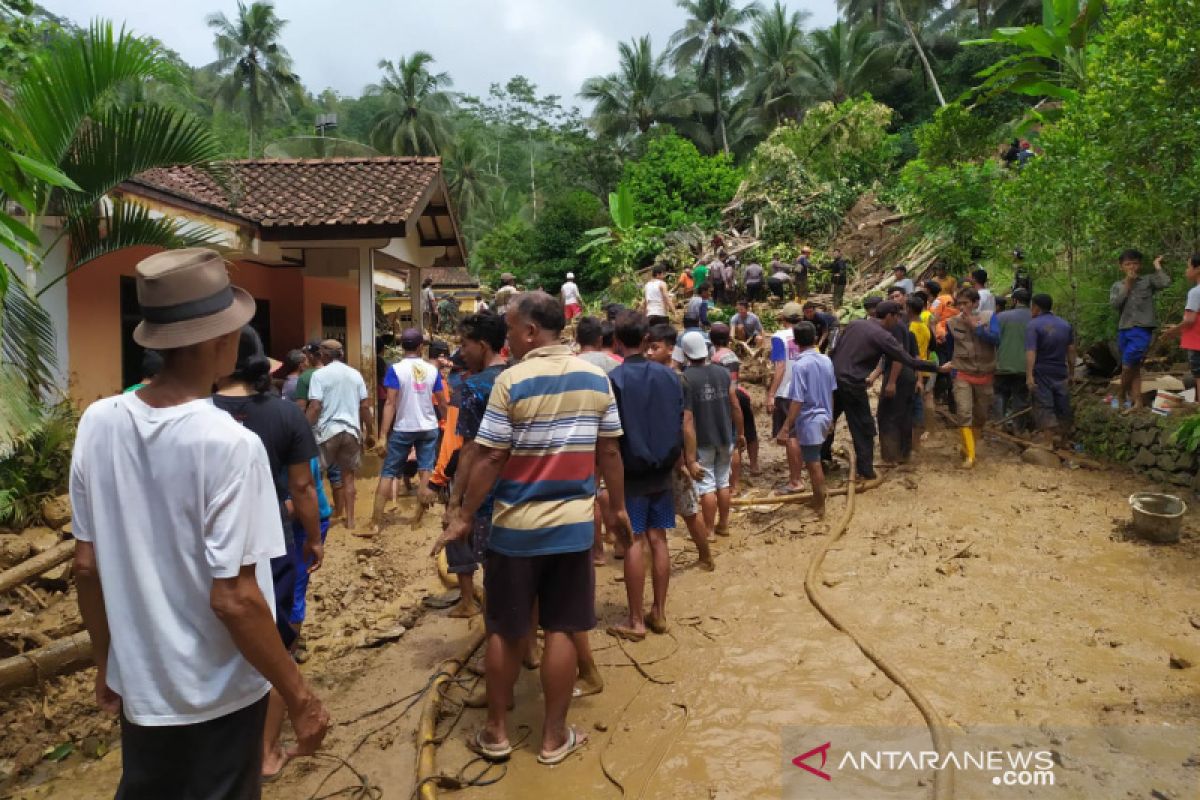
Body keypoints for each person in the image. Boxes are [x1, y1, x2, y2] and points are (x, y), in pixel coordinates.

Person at [71, 248, 329, 798]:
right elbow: (234, 598)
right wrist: (300, 696)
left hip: (143, 689)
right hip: (218, 692)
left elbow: (87, 566)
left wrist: (107, 662)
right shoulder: (228, 444)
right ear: (220, 341)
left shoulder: (99, 421)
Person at [432, 292, 632, 766]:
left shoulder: (512, 381)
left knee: (505, 628)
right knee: (562, 628)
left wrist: (462, 516)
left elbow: (491, 455)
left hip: (515, 528)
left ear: (529, 332)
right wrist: (618, 511)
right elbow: (609, 453)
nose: (506, 335)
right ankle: (553, 738)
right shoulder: (596, 378)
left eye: (510, 326)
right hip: (572, 528)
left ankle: (496, 733)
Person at [213, 326, 325, 781]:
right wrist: (314, 538)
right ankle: (265, 750)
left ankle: (224, 744)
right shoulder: (284, 416)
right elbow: (302, 486)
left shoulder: (195, 414)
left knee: (220, 641)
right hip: (269, 542)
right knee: (277, 640)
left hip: (210, 549)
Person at [607, 312, 685, 640]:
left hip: (631, 473)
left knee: (633, 540)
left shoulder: (615, 379)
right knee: (659, 538)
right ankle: (660, 612)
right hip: (663, 470)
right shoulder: (671, 377)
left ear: (616, 341)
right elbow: (680, 422)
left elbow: (609, 438)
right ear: (645, 341)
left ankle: (636, 620)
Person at [821, 302, 937, 480]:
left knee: (828, 420)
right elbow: (907, 359)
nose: (898, 320)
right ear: (890, 316)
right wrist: (938, 368)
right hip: (852, 384)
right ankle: (865, 470)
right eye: (897, 316)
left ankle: (822, 460)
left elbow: (835, 350)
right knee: (863, 427)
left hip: (831, 380)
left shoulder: (855, 324)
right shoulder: (883, 336)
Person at [445, 312, 509, 620]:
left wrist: (456, 502)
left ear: (483, 345)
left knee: (494, 571)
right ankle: (529, 645)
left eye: (465, 344)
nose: (461, 352)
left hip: (487, 493)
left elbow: (470, 448)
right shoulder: (518, 377)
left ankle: (499, 644)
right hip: (522, 489)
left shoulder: (475, 387)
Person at [371, 328, 445, 535]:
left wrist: (383, 435)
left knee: (388, 472)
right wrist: (447, 421)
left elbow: (390, 404)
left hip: (404, 427)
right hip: (429, 427)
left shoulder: (395, 369)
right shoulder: (432, 370)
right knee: (425, 470)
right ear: (421, 346)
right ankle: (417, 520)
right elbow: (441, 402)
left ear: (402, 346)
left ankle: (376, 521)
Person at [679, 331, 745, 539]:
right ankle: (723, 525)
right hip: (725, 436)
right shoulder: (723, 373)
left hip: (703, 440)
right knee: (723, 482)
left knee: (706, 486)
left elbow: (687, 421)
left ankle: (708, 530)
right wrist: (740, 434)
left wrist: (689, 458)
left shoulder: (685, 379)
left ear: (686, 353)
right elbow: (735, 406)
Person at [305, 339, 374, 530]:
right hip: (351, 431)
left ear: (324, 355)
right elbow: (365, 406)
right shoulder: (355, 375)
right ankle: (350, 521)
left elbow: (315, 406)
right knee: (348, 478)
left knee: (313, 475)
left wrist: (302, 429)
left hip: (327, 432)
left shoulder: (319, 376)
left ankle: (315, 518)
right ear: (341, 355)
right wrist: (370, 432)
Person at [777, 322, 836, 517]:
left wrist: (786, 427)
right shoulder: (826, 360)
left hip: (810, 419)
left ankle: (820, 506)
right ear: (814, 338)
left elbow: (797, 400)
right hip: (824, 415)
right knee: (814, 461)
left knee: (813, 464)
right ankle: (818, 499)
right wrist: (832, 417)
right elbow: (831, 391)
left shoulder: (800, 365)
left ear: (795, 342)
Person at [943, 287, 1000, 469]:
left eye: (965, 303)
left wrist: (976, 328)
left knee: (981, 415)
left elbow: (996, 339)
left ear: (975, 303)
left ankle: (968, 446)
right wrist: (949, 366)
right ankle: (971, 456)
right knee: (964, 412)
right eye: (959, 304)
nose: (962, 307)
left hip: (985, 373)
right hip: (962, 373)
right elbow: (949, 347)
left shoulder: (989, 318)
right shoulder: (951, 323)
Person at [1110, 249, 1170, 409]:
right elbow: (1115, 304)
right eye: (1127, 264)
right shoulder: (1117, 286)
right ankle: (1137, 401)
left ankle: (1121, 393)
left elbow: (1165, 282)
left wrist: (1157, 266)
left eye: (1135, 263)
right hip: (1124, 328)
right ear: (1121, 266)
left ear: (1140, 265)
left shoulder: (1148, 281)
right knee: (1134, 367)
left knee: (1128, 364)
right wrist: (1128, 285)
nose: (1132, 267)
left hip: (1142, 328)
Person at [711, 323, 759, 490]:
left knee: (732, 441)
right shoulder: (732, 356)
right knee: (748, 430)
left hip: (727, 399)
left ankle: (733, 483)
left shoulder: (715, 359)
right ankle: (754, 466)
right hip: (740, 394)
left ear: (712, 340)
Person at [766, 303, 806, 494]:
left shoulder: (779, 337)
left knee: (790, 436)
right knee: (796, 435)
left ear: (783, 318)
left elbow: (780, 367)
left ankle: (795, 480)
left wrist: (771, 393)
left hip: (786, 392)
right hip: (804, 391)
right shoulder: (807, 335)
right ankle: (799, 472)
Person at [1026, 294, 1076, 441]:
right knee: (1062, 405)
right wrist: (1072, 373)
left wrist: (1029, 375)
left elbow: (1031, 351)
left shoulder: (1033, 325)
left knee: (1045, 404)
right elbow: (1071, 350)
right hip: (1060, 370)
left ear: (1036, 307)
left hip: (1041, 371)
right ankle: (1063, 440)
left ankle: (1048, 441)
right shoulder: (1065, 325)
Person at [876, 297, 919, 465]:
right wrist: (874, 376)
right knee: (900, 414)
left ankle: (893, 455)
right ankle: (901, 453)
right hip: (902, 373)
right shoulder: (900, 326)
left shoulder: (895, 328)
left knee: (889, 415)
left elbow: (897, 358)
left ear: (890, 316)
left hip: (899, 374)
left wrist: (892, 381)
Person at [993, 288, 1033, 432]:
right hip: (1025, 367)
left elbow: (993, 340)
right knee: (1020, 397)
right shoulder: (1035, 318)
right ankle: (1018, 428)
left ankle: (998, 425)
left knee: (999, 394)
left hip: (1002, 364)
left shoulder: (1001, 317)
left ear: (1015, 301)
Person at [1165, 254, 1200, 381]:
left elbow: (1190, 320)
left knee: (1198, 376)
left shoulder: (1195, 292)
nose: (1186, 270)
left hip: (1197, 342)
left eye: (1188, 267)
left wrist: (1173, 331)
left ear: (1197, 269)